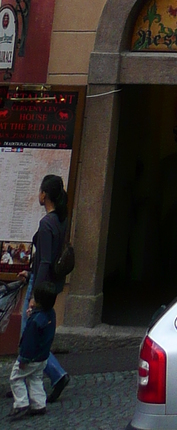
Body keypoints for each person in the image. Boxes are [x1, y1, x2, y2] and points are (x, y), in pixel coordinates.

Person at [21, 176, 70, 405]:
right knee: (37, 334)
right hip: (51, 284)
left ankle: (56, 375)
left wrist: (34, 296)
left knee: (30, 335)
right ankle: (34, 380)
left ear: (45, 195)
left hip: (42, 286)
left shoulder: (47, 223)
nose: (38, 195)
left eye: (40, 191)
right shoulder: (61, 219)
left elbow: (44, 261)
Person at [11, 281, 56, 417]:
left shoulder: (35, 321)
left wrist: (23, 359)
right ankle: (39, 405)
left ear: (39, 301)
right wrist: (33, 314)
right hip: (43, 356)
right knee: (36, 378)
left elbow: (29, 342)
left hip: (31, 357)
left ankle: (21, 402)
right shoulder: (50, 314)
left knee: (15, 378)